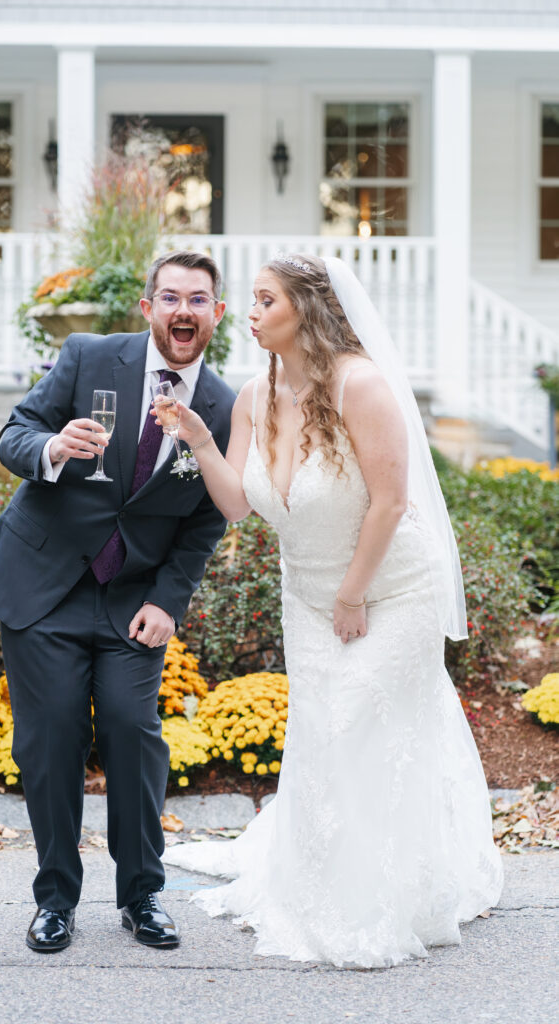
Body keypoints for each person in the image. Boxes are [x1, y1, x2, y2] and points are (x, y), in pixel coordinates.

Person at [162, 254, 503, 968]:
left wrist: (352, 595)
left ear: (306, 309)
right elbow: (234, 503)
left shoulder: (362, 384)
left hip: (389, 587)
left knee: (358, 725)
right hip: (307, 595)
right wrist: (197, 438)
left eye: (263, 300)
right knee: (324, 738)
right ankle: (322, 884)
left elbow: (390, 502)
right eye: (250, 300)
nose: (248, 313)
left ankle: (385, 895)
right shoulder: (255, 394)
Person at [0, 250, 235, 953]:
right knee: (51, 741)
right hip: (43, 587)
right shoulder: (88, 356)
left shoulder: (222, 406)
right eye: (171, 297)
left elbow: (206, 517)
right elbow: (15, 437)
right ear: (147, 308)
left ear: (216, 313)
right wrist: (54, 447)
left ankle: (143, 895)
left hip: (131, 601)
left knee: (131, 730)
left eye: (199, 299)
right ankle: (55, 898)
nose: (184, 310)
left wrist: (168, 600)